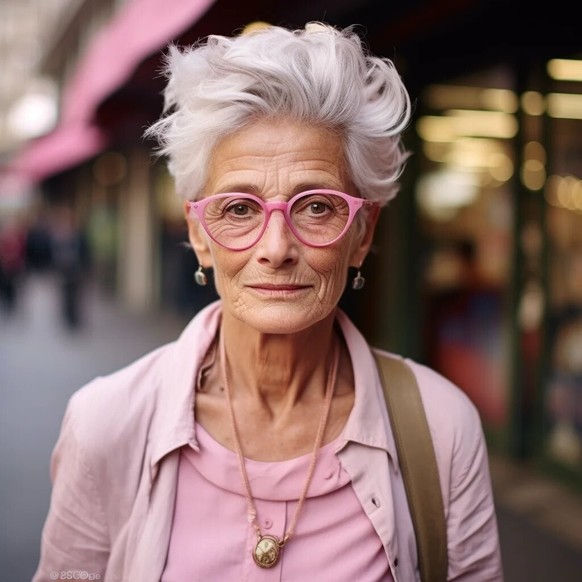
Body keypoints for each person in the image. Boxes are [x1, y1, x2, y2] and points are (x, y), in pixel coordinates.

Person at [33, 22, 503, 581]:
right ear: (200, 235)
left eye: (316, 207)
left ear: (363, 234)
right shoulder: (106, 425)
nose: (276, 249)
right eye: (238, 210)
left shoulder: (440, 428)